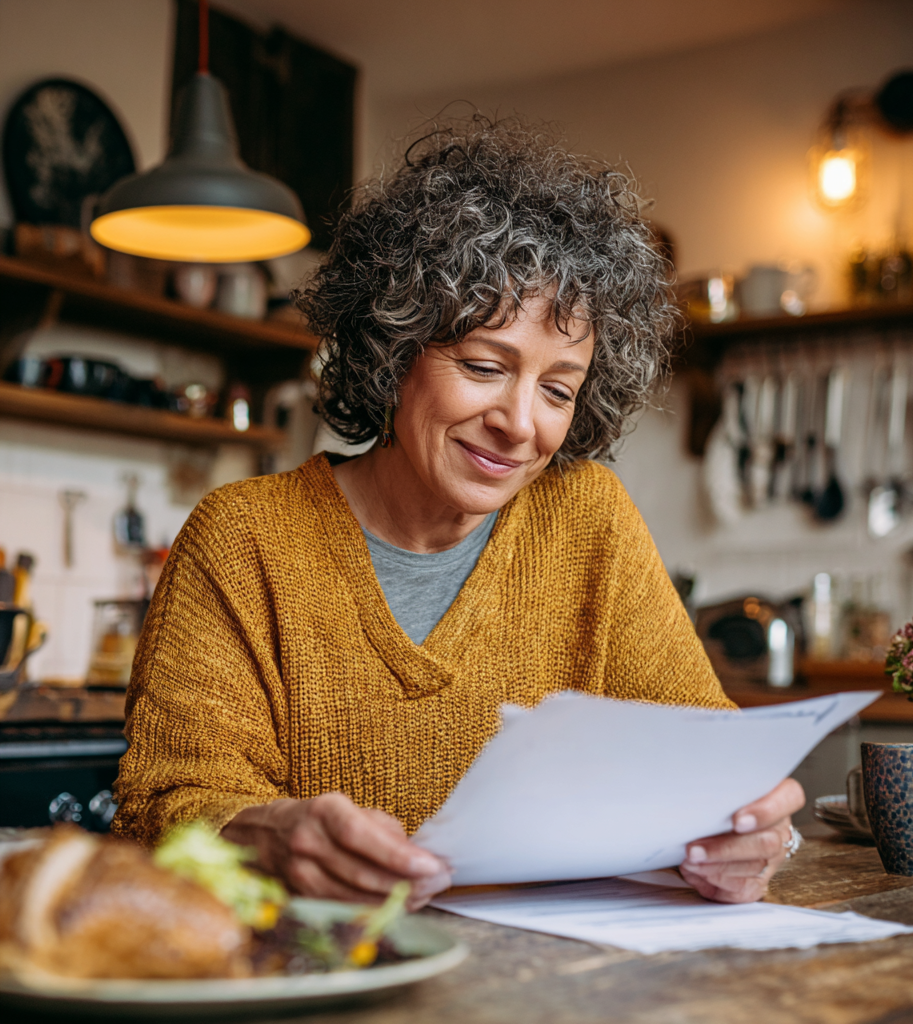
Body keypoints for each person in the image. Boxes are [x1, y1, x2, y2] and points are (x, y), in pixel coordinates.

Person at [113, 116, 803, 909]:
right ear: (394, 352)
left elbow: (704, 757)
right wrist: (262, 836)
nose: (520, 422)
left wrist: (751, 831)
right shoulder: (244, 537)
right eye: (483, 365)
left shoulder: (589, 521)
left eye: (557, 389)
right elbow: (165, 806)